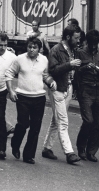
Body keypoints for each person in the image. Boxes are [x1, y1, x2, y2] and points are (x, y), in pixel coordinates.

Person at [6, 37, 56, 164]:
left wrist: (51, 82)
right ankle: (15, 143)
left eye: (34, 47)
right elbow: (9, 73)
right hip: (22, 97)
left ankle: (28, 155)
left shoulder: (44, 60)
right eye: (29, 47)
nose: (31, 50)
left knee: (35, 127)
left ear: (39, 49)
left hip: (39, 98)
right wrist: (11, 90)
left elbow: (45, 75)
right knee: (23, 123)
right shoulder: (20, 59)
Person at [42, 25, 82, 164]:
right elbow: (53, 70)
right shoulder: (55, 50)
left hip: (67, 88)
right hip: (57, 89)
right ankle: (69, 152)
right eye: (76, 38)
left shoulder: (73, 49)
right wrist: (70, 65)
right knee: (63, 121)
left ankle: (47, 148)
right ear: (68, 37)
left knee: (56, 119)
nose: (78, 41)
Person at [74, 29, 99, 162]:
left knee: (97, 123)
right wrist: (86, 67)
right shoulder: (81, 53)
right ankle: (81, 148)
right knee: (88, 120)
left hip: (98, 90)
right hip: (86, 91)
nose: (94, 47)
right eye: (92, 44)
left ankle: (91, 151)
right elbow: (76, 72)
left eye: (96, 44)